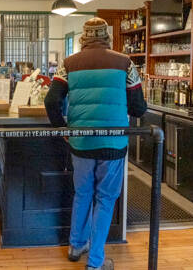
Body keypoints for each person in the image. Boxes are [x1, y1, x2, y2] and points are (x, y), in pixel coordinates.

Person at [44, 18, 146, 270]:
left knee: (82, 193)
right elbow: (139, 107)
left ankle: (76, 245)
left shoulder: (68, 64)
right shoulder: (125, 63)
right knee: (105, 198)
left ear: (83, 38)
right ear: (107, 37)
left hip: (81, 141)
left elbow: (51, 101)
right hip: (113, 142)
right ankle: (96, 261)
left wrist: (61, 129)